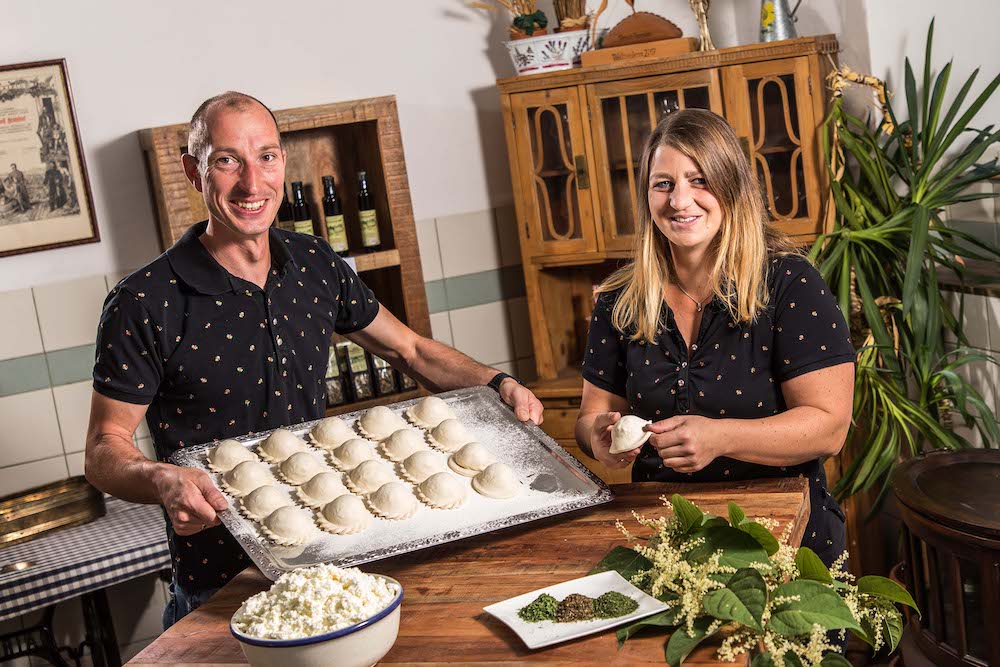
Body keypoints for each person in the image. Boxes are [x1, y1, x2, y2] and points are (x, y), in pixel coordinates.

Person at [84, 91, 544, 630]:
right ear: (193, 170)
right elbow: (102, 450)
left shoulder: (313, 263)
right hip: (223, 584)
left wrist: (497, 383)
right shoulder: (146, 300)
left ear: (283, 162)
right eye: (227, 160)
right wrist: (161, 477)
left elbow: (410, 349)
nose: (252, 184)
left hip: (329, 562)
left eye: (267, 157)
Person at [575, 109, 855, 569]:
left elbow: (829, 427)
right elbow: (589, 418)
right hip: (663, 539)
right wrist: (599, 437)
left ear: (732, 186)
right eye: (663, 184)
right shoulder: (619, 300)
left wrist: (721, 436)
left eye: (699, 180)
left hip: (781, 537)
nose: (680, 201)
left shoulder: (789, 283)